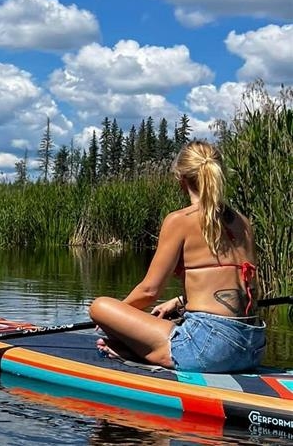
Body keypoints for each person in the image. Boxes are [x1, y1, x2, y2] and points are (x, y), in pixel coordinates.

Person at [89, 140, 266, 372]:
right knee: (171, 322)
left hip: (208, 348)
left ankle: (140, 353)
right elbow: (242, 286)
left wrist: (113, 321)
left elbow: (149, 291)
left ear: (180, 179)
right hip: (253, 346)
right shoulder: (244, 222)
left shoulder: (180, 220)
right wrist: (180, 302)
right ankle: (140, 351)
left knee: (100, 306)